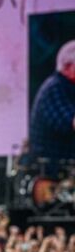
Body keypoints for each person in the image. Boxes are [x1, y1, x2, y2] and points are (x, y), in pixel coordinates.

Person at [29, 39, 75, 172]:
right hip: (52, 171)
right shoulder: (55, 88)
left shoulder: (68, 87)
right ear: (68, 67)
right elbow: (70, 122)